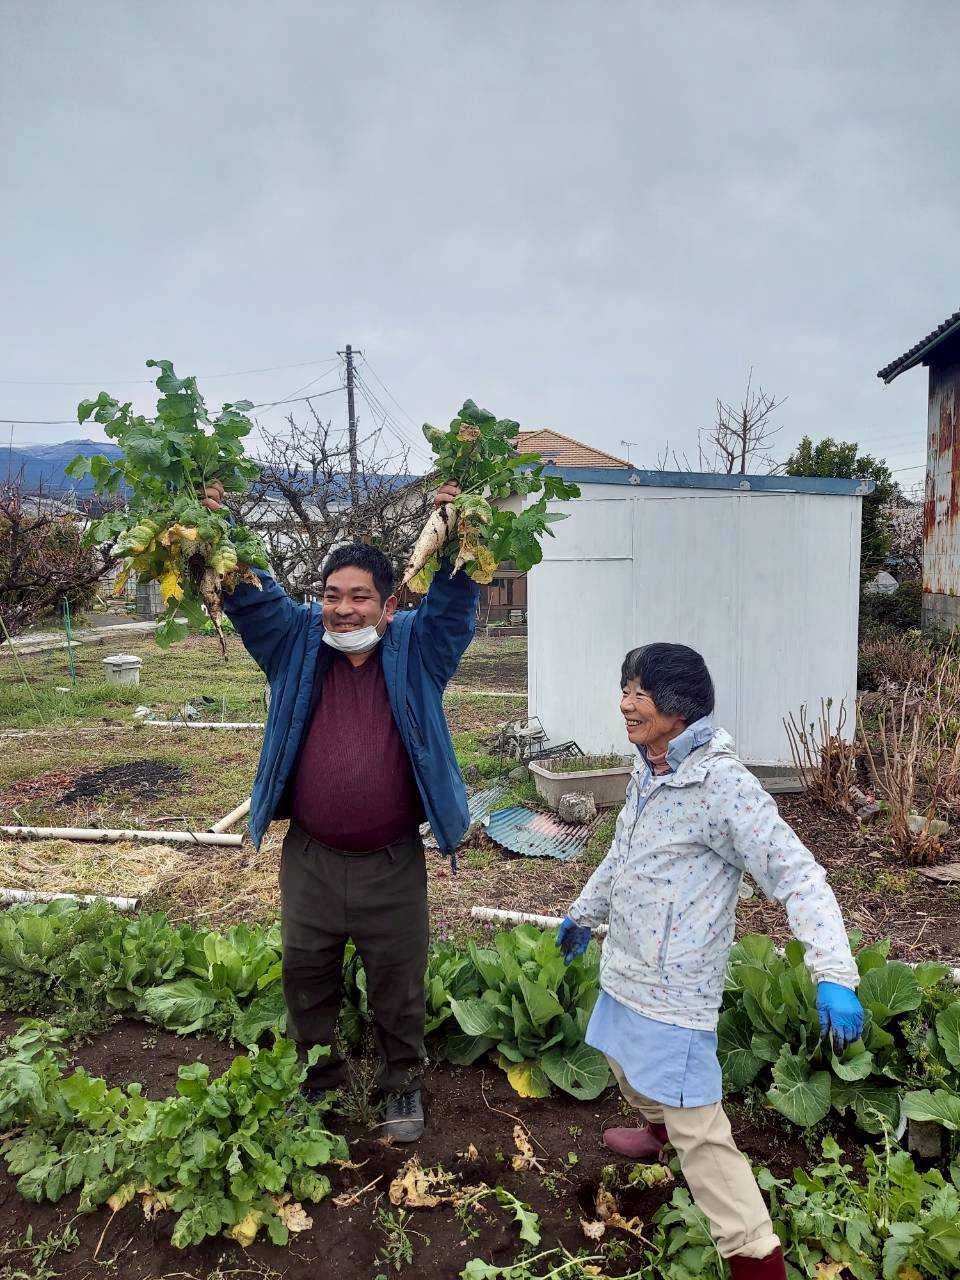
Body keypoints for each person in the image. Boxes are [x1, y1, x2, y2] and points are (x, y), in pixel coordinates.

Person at [555, 643, 864, 1280]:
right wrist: (584, 913)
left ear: (678, 708)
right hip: (627, 971)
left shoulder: (724, 787)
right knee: (620, 1062)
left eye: (639, 692)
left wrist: (833, 972)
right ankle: (659, 1133)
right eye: (625, 689)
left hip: (676, 990)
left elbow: (798, 876)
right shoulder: (649, 769)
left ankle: (756, 1259)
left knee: (701, 1133)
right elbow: (622, 855)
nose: (625, 704)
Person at [203, 478, 478, 1142]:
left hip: (392, 861)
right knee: (305, 973)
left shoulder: (417, 649)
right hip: (312, 858)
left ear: (388, 604)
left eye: (359, 597)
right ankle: (318, 1081)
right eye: (331, 595)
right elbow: (250, 594)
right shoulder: (295, 642)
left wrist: (458, 526)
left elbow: (452, 606)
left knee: (399, 980)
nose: (343, 610)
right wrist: (219, 524)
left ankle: (401, 1082)